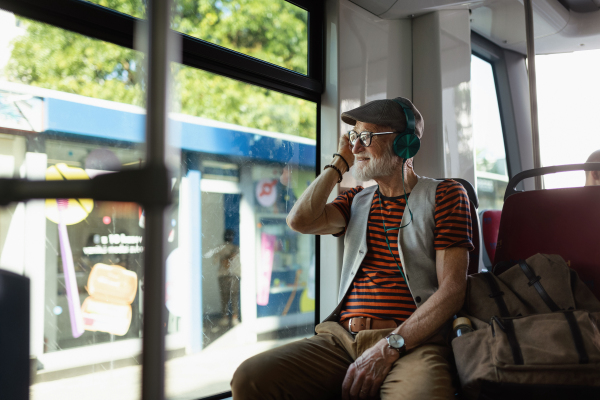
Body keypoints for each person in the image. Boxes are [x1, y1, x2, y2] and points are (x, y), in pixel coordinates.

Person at [231, 97, 473, 400]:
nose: (357, 147)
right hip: (342, 339)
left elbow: (452, 291)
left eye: (367, 138)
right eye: (354, 137)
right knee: (251, 379)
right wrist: (340, 161)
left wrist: (389, 346)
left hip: (412, 342)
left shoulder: (447, 195)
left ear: (404, 144)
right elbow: (300, 221)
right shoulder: (356, 200)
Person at [210, 229, 241, 327]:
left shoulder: (219, 248)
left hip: (223, 275)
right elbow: (238, 264)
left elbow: (214, 261)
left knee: (225, 298)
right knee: (234, 297)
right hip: (233, 275)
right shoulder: (236, 248)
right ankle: (234, 318)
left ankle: (225, 318)